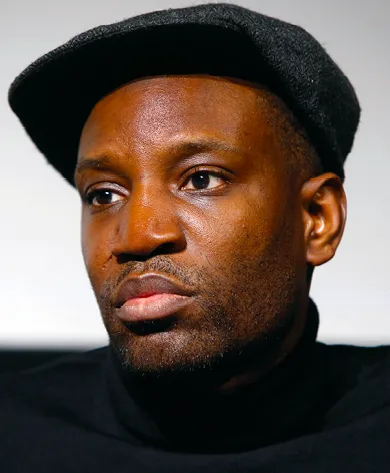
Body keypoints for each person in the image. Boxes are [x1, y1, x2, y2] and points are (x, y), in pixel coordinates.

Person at [1, 3, 389, 472]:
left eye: (201, 180)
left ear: (317, 218)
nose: (139, 236)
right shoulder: (16, 434)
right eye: (104, 194)